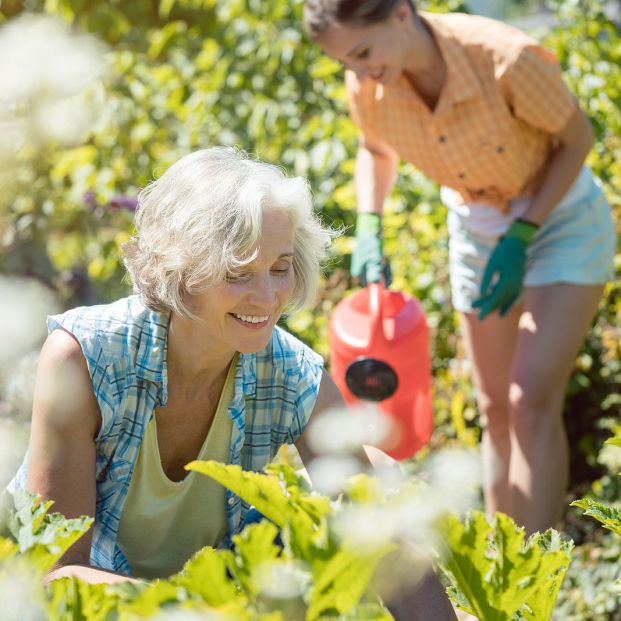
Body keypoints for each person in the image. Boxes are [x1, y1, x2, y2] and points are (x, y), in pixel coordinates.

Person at [8, 147, 456, 619]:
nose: (266, 298)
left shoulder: (292, 375)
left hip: (210, 605)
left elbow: (383, 533)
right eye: (238, 272)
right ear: (183, 272)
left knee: (376, 477)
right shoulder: (87, 358)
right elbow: (57, 571)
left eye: (280, 268)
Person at [303, 0, 617, 534]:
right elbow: (374, 151)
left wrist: (523, 233)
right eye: (345, 63)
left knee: (529, 399)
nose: (358, 73)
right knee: (494, 408)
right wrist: (370, 223)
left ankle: (529, 591)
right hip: (476, 230)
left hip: (560, 222)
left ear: (401, 12)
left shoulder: (505, 59)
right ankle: (499, 570)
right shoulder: (371, 81)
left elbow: (578, 139)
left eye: (362, 52)